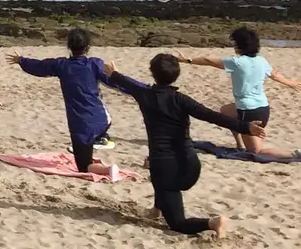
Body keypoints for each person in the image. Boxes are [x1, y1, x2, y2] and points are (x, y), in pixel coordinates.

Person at [103, 53, 265, 237]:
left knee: (177, 222)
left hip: (167, 171)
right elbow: (212, 116)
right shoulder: (181, 99)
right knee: (154, 165)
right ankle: (157, 209)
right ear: (176, 75)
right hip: (190, 166)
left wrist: (114, 73)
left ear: (152, 73)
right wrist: (246, 127)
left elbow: (128, 84)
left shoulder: (145, 94)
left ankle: (213, 222)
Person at [175, 27, 300, 158]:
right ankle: (240, 145)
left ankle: (294, 154)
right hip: (263, 109)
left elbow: (208, 60)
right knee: (226, 111)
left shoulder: (236, 62)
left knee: (257, 152)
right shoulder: (261, 61)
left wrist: (187, 60)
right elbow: (274, 74)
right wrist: (289, 82)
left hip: (248, 112)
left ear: (240, 46)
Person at [8, 29, 115, 173]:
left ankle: (108, 169)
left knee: (84, 167)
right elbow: (114, 82)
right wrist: (118, 75)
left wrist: (21, 60)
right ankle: (101, 138)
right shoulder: (95, 64)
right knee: (96, 130)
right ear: (88, 47)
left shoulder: (62, 65)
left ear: (68, 46)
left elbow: (40, 67)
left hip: (80, 126)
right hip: (103, 120)